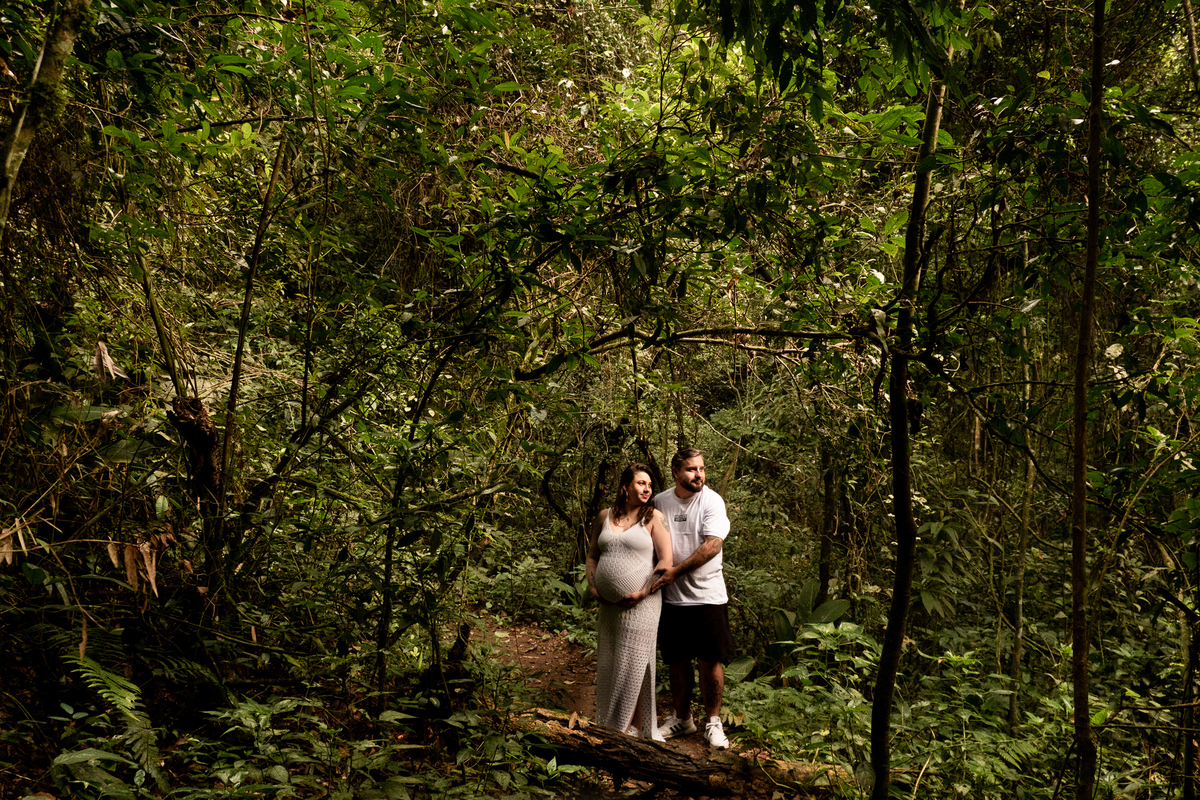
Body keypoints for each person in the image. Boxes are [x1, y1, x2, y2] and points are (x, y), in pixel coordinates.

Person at [651, 448, 734, 749]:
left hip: (708, 596)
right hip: (671, 599)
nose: (699, 474)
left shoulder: (711, 501)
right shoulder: (660, 501)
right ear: (675, 471)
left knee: (710, 661)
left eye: (701, 468)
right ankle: (682, 719)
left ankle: (713, 722)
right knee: (676, 661)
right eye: (691, 469)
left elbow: (712, 545)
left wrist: (675, 571)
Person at [585, 463, 673, 739]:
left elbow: (666, 562)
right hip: (609, 608)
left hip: (643, 604)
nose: (647, 489)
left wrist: (643, 592)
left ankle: (620, 731)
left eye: (649, 485)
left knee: (634, 664)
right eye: (640, 483)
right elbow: (592, 556)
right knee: (613, 661)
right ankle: (625, 726)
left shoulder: (654, 518)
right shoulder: (604, 516)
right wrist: (593, 586)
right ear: (625, 486)